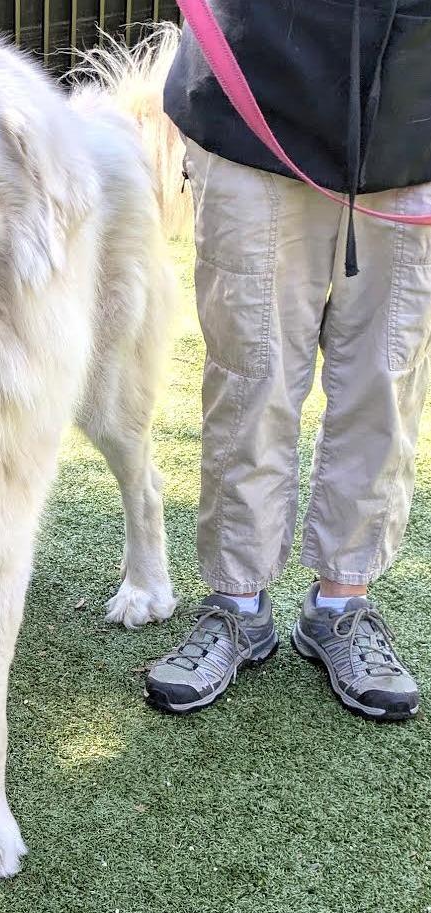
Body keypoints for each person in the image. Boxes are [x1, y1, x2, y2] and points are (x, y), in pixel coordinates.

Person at [144, 0, 431, 721]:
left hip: (416, 108)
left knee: (385, 377)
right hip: (252, 94)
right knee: (250, 373)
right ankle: (237, 603)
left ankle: (342, 602)